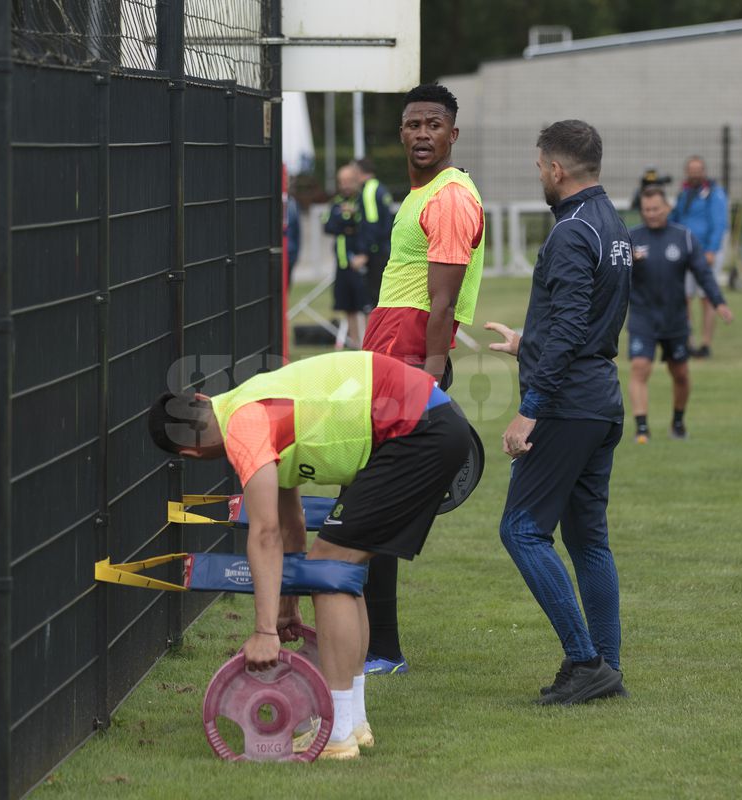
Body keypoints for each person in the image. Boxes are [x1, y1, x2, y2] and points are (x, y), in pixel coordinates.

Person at [147, 351, 470, 758]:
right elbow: (291, 525)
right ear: (202, 397)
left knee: (329, 568)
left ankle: (336, 735)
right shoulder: (250, 402)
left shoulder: (244, 428)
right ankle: (353, 724)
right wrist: (286, 608)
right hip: (432, 422)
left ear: (191, 454)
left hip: (419, 430)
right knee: (340, 570)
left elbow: (264, 535)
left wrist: (265, 632)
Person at [485, 120, 631, 705]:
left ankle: (586, 660)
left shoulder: (571, 232)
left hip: (568, 404)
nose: (539, 176)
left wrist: (530, 409)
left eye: (539, 167)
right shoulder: (611, 223)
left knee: (520, 530)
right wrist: (529, 343)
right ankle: (607, 668)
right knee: (588, 540)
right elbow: (589, 320)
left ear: (555, 169)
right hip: (599, 398)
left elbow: (572, 324)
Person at [359, 82, 486, 676]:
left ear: (453, 134)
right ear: (402, 133)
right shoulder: (420, 195)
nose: (422, 134)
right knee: (367, 499)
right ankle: (373, 644)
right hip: (391, 349)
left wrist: (428, 380)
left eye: (434, 124)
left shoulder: (451, 197)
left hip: (410, 356)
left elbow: (442, 302)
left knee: (372, 503)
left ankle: (383, 651)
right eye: (413, 124)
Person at [627, 186, 734, 443]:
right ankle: (642, 428)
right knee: (640, 367)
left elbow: (703, 273)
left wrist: (718, 302)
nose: (651, 214)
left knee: (681, 373)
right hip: (642, 316)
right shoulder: (630, 238)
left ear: (667, 208)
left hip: (675, 318)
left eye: (655, 209)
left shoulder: (684, 237)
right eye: (646, 210)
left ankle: (677, 422)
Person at [670, 156, 729, 358]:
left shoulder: (714, 193)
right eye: (691, 169)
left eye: (698, 169)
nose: (695, 173)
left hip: (705, 252)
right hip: (685, 252)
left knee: (707, 297)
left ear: (704, 171)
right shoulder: (684, 194)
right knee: (684, 297)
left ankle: (706, 343)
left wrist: (711, 250)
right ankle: (688, 341)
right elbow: (675, 219)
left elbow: (719, 223)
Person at [322, 164, 371, 348]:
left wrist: (351, 219)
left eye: (349, 181)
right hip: (342, 263)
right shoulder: (336, 202)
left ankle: (370, 344)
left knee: (366, 305)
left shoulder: (362, 200)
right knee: (348, 306)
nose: (345, 185)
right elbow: (328, 226)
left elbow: (364, 225)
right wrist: (346, 225)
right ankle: (355, 343)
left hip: (360, 262)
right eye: (342, 182)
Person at [355, 157, 395, 306]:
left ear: (359, 172)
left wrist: (365, 251)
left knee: (375, 297)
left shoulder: (369, 191)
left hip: (377, 252)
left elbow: (372, 223)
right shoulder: (380, 188)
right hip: (385, 247)